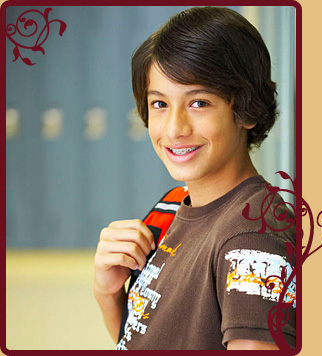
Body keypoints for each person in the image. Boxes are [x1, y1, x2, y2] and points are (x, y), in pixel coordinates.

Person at [93, 6, 296, 350]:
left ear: (247, 109)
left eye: (199, 102)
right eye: (159, 104)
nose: (175, 129)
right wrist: (108, 293)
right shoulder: (172, 205)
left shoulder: (253, 236)